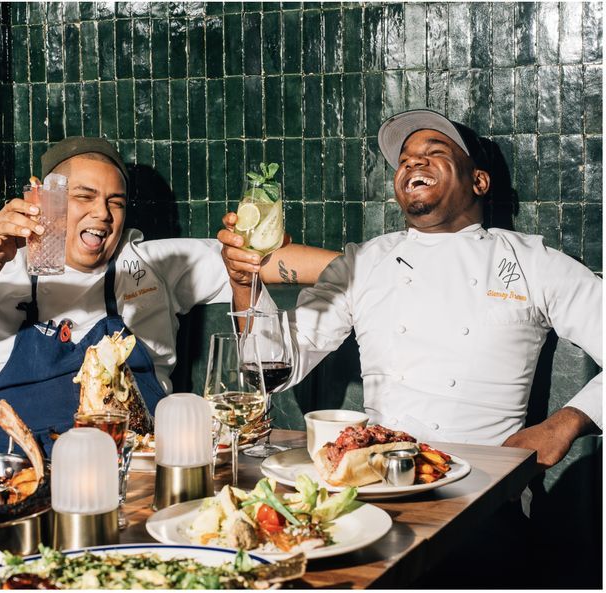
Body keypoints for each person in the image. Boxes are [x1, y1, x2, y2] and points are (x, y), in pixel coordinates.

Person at [219, 109, 601, 469]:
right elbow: (280, 365)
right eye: (404, 161)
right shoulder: (362, 263)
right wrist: (243, 284)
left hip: (484, 487)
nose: (413, 163)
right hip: (375, 479)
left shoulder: (532, 262)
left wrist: (561, 425)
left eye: (434, 153)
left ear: (478, 181)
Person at [0, 137, 339, 455]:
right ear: (44, 196)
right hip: (5, 464)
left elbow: (253, 257)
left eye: (115, 201)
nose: (102, 213)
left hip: (136, 464)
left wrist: (370, 266)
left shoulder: (152, 263)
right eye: (84, 197)